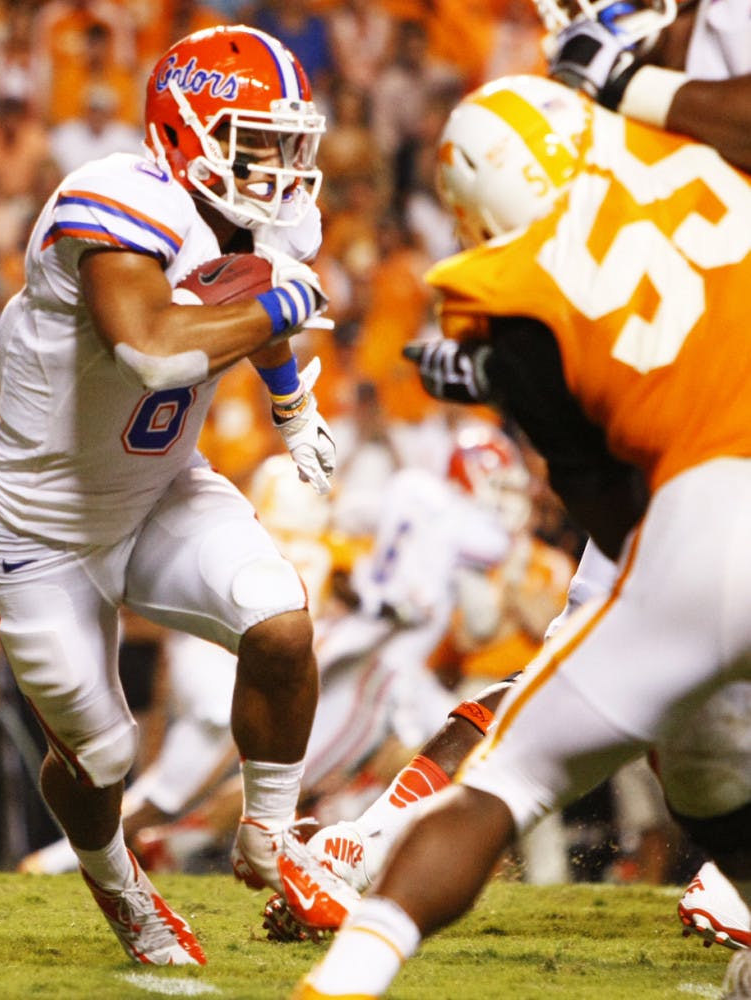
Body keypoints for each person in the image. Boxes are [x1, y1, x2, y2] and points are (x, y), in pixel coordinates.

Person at [292, 70, 751, 999]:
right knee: (707, 756)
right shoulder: (701, 164)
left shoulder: (514, 288)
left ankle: (356, 919)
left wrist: (515, 381)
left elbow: (611, 510)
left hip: (696, 506)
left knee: (525, 767)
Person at [0, 24, 358, 967]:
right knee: (105, 758)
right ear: (183, 131)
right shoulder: (115, 201)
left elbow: (253, 297)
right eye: (255, 141)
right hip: (41, 527)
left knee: (283, 626)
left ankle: (272, 838)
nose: (280, 166)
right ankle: (117, 880)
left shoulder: (262, 218)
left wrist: (292, 404)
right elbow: (155, 350)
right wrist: (278, 306)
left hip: (161, 488)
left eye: (287, 142)